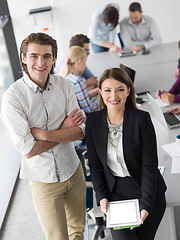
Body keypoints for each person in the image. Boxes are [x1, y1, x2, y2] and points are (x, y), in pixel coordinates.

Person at [1, 32, 86, 240]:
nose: (41, 62)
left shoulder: (65, 86)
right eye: (34, 56)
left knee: (78, 231)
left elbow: (79, 131)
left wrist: (44, 134)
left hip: (73, 170)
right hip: (43, 181)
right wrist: (63, 128)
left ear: (54, 58)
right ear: (23, 58)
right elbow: (28, 151)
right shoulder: (13, 98)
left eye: (47, 56)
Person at [85, 68, 167, 240]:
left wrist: (146, 205)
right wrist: (102, 197)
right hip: (116, 193)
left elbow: (149, 166)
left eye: (120, 89)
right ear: (100, 92)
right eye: (107, 90)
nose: (113, 96)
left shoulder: (141, 119)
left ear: (128, 91)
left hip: (146, 190)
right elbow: (95, 165)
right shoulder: (93, 121)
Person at [61, 46, 99, 114]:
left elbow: (82, 97)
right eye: (84, 62)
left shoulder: (66, 77)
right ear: (79, 61)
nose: (85, 66)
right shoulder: (78, 81)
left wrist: (99, 90)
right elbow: (90, 109)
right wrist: (100, 98)